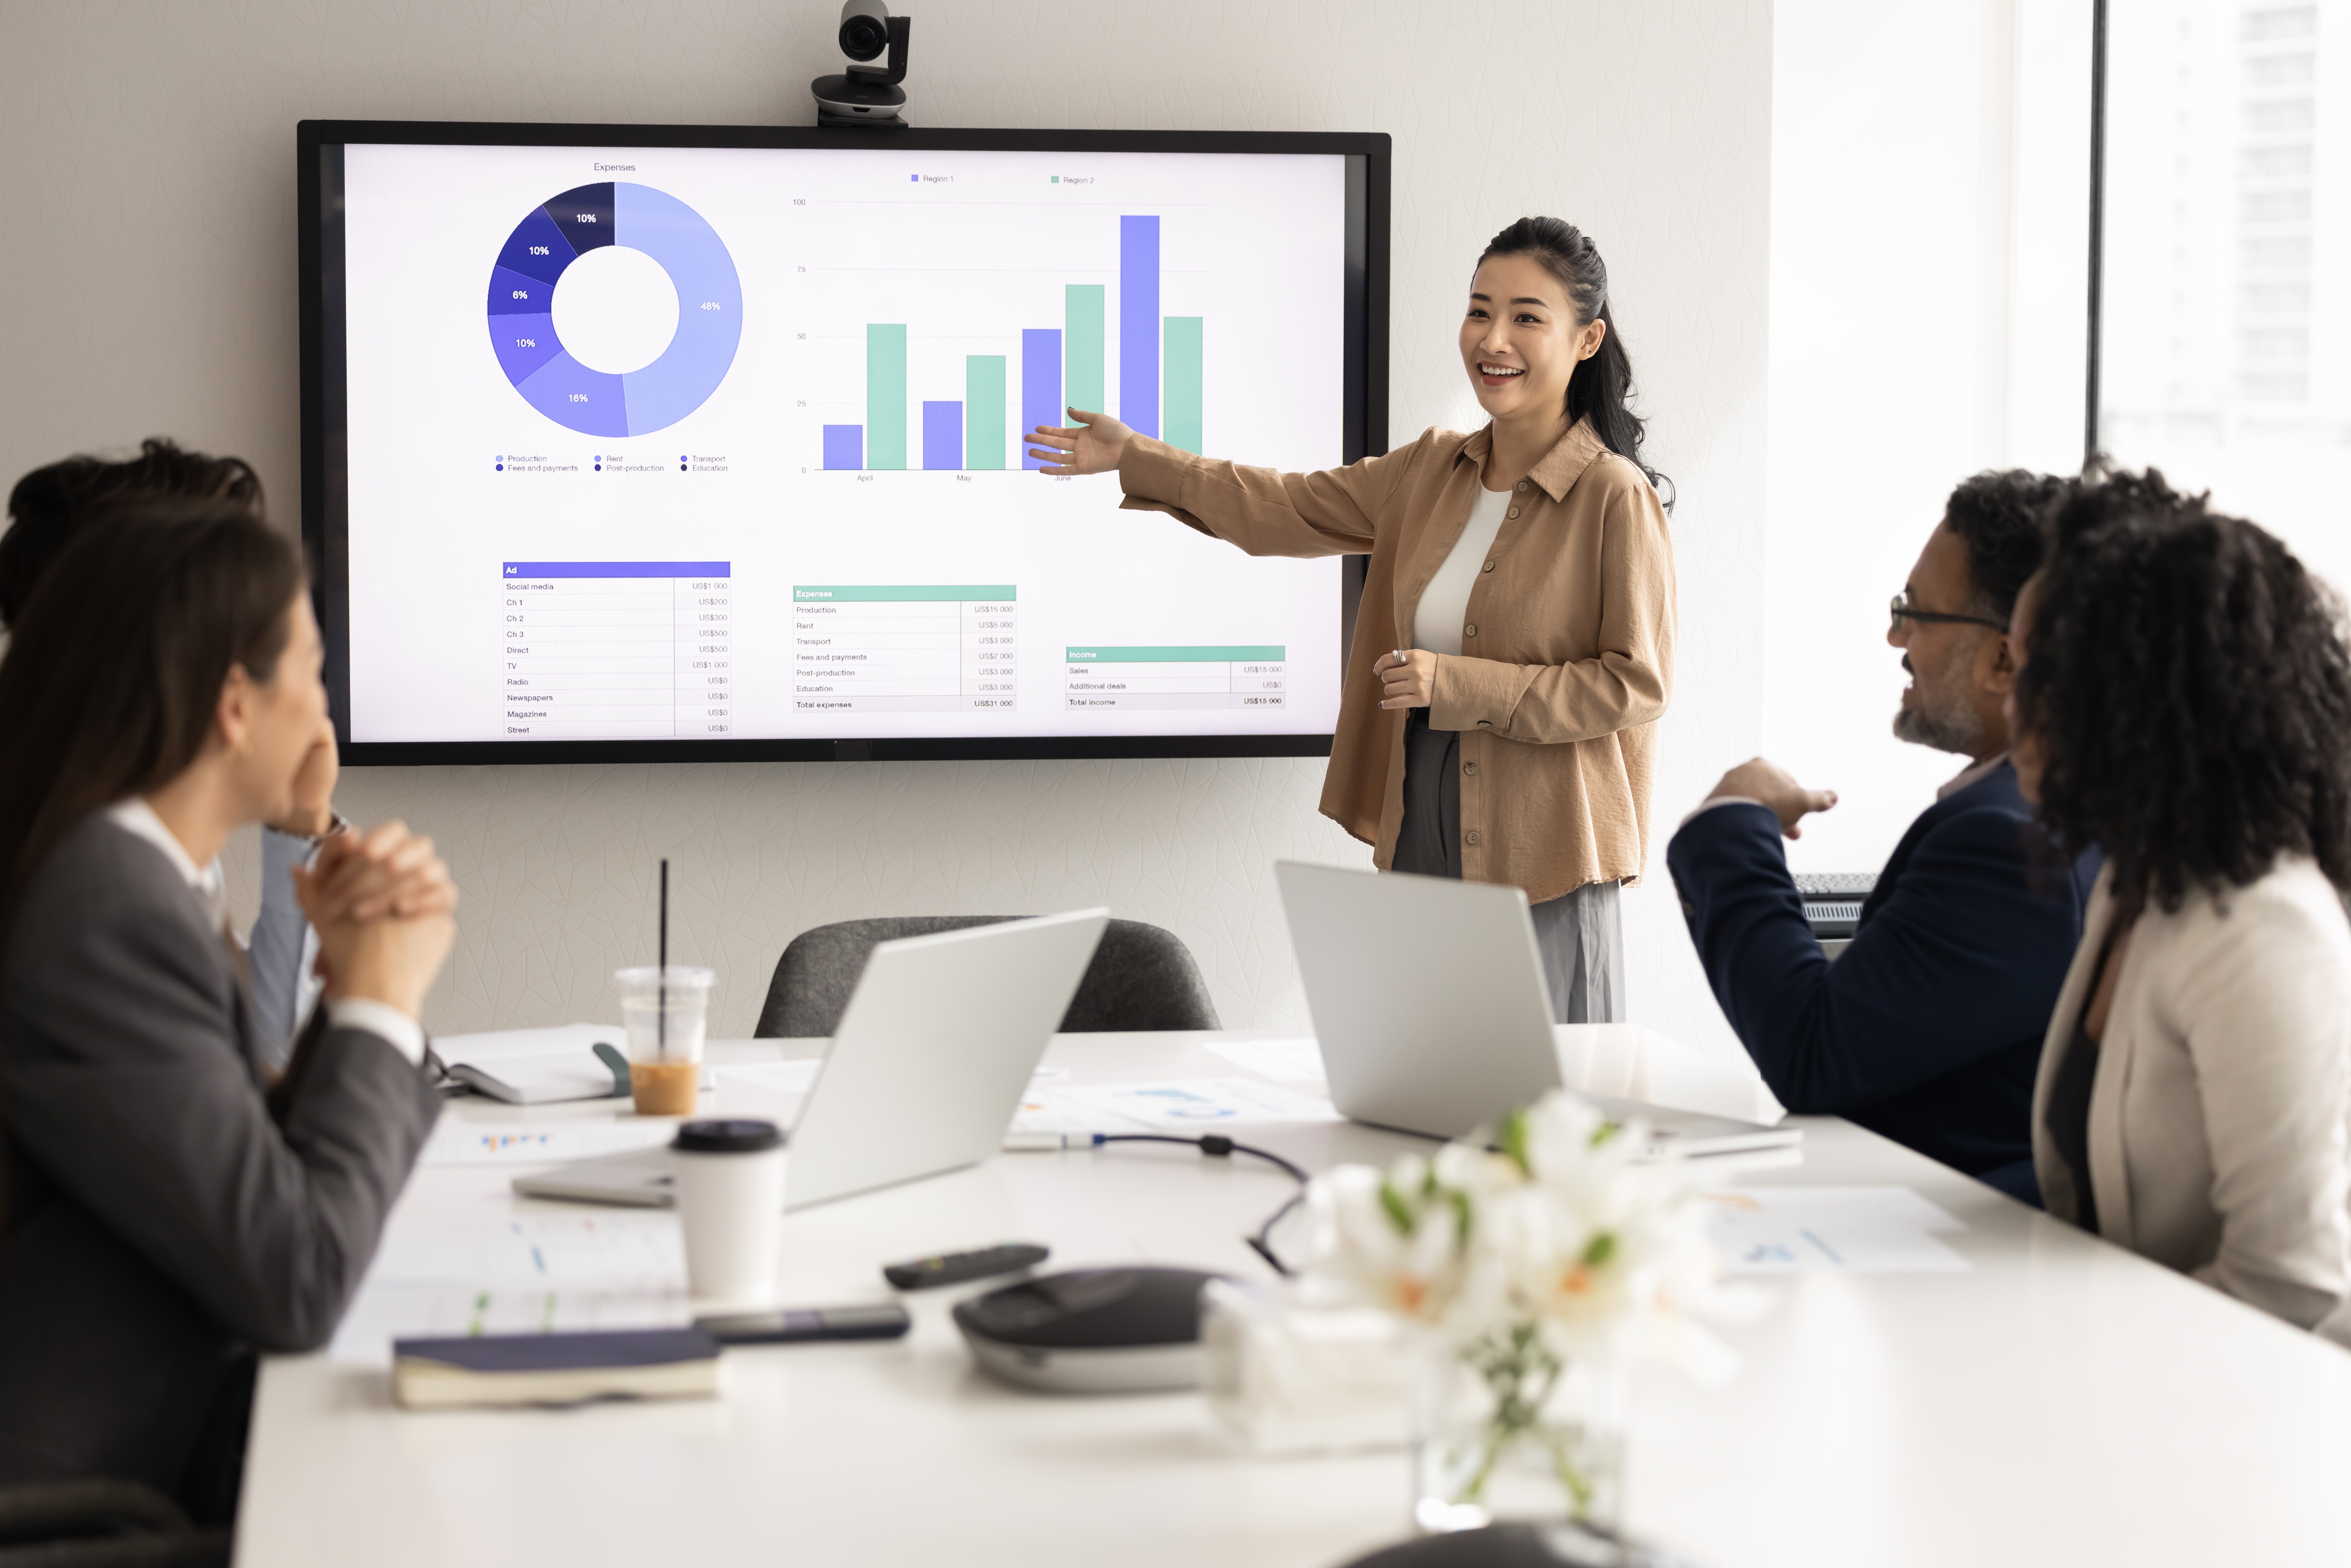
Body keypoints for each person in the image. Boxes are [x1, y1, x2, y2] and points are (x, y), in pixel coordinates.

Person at [1028, 217, 1674, 1022]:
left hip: (1542, 841)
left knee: (1537, 1115)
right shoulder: (1431, 469)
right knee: (1422, 1085)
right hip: (1421, 813)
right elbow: (1282, 508)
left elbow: (1633, 686)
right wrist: (1136, 455)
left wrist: (1460, 684)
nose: (1492, 338)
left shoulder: (1613, 495)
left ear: (1585, 340)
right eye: (1478, 310)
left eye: (1525, 317)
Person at [0, 503, 458, 1520]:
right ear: (236, 706)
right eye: (312, 666)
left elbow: (241, 1161)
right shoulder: (109, 909)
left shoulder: (130, 877)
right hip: (97, 1502)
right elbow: (297, 1277)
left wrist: (354, 988)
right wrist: (382, 999)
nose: (325, 710)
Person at [1665, 472, 2091, 1200]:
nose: (1895, 636)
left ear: (2003, 658)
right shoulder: (2054, 808)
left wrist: (1734, 820)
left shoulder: (2007, 840)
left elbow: (1813, 1053)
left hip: (1948, 1249)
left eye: (1915, 612)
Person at [2010, 470, 2351, 1342]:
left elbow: (2290, 1292)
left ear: (2135, 703)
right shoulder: (2138, 884)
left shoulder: (2264, 929)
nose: (2012, 707)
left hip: (2222, 1429)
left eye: (2035, 675)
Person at [1, 439, 330, 1061]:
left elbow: (250, 1058)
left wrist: (298, 820)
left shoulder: (142, 829)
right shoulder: (98, 893)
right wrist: (379, 1003)